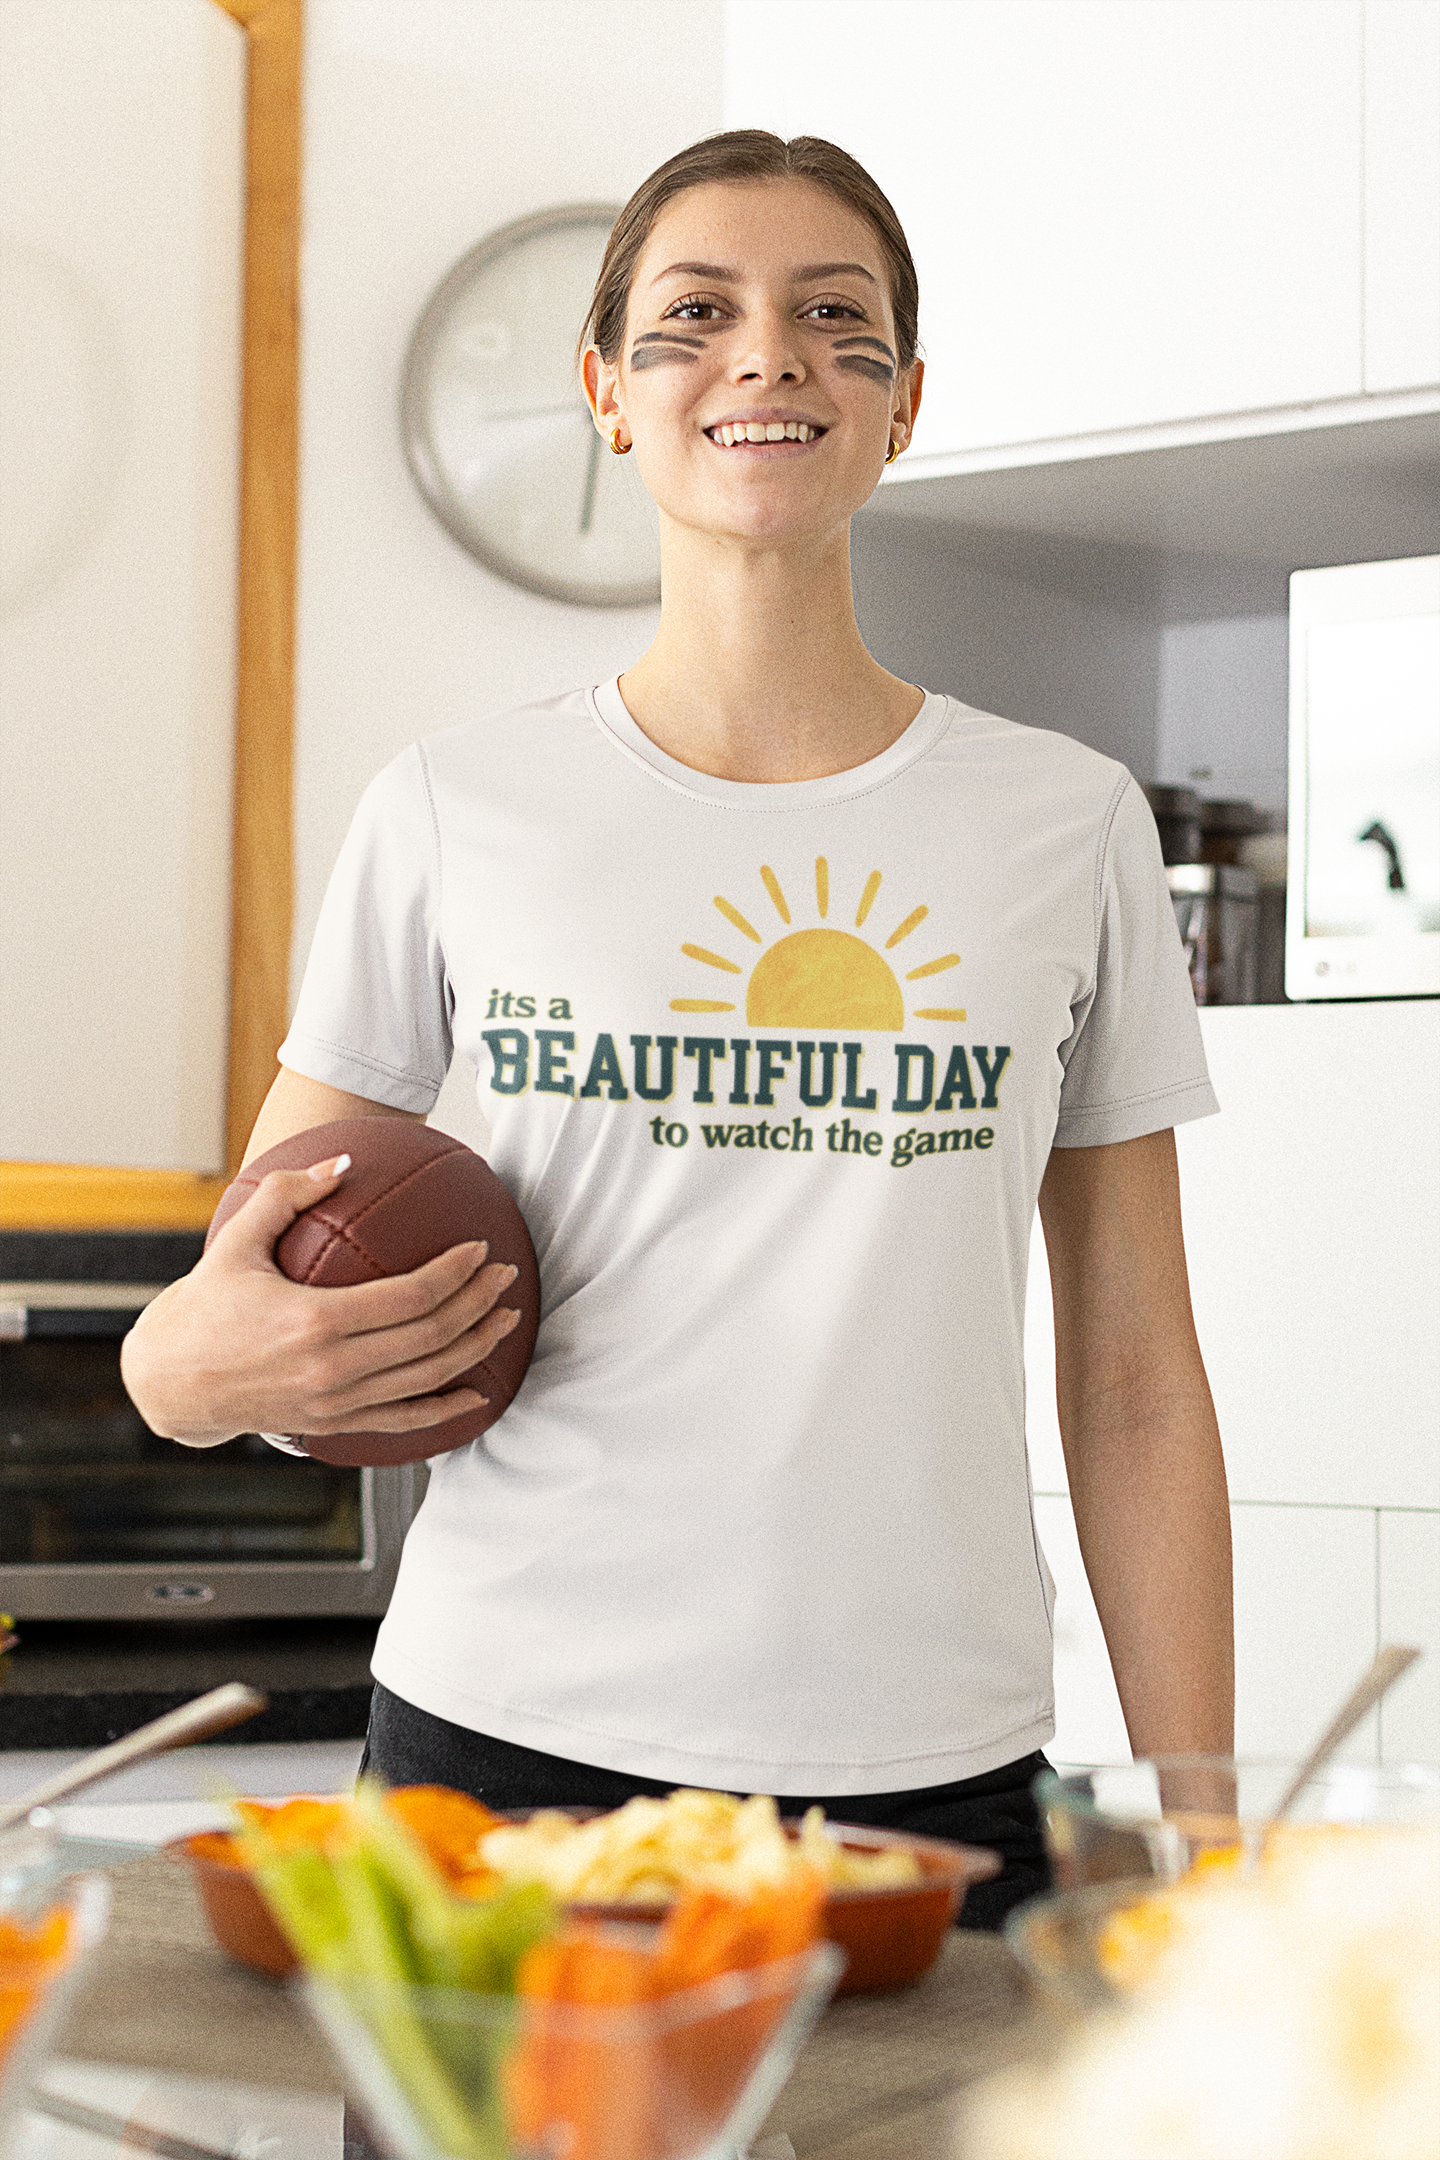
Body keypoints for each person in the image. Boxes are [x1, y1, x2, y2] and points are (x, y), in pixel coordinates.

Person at [122, 130, 1232, 1929]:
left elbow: (1135, 1390)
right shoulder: (449, 809)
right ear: (608, 395)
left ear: (904, 401)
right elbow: (222, 1315)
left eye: (833, 318)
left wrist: (1205, 1838)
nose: (769, 355)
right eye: (695, 315)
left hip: (934, 1770)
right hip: (508, 1752)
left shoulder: (1068, 821)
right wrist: (188, 1376)